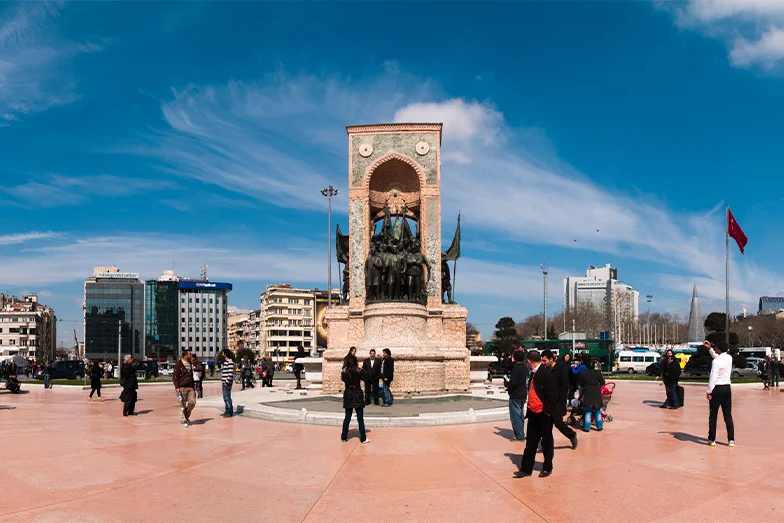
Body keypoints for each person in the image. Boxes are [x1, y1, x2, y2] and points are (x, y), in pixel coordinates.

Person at [515, 351, 557, 478]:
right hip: (533, 413)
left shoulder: (545, 374)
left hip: (543, 414)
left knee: (546, 442)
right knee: (531, 443)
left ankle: (547, 467)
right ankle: (526, 469)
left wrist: (547, 411)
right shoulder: (533, 373)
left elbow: (553, 394)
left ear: (529, 361)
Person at [541, 350, 578, 449]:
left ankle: (572, 435)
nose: (543, 363)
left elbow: (564, 387)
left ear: (551, 359)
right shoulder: (545, 370)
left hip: (557, 402)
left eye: (544, 361)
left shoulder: (560, 369)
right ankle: (547, 445)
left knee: (558, 423)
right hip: (547, 402)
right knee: (546, 424)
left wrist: (561, 402)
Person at [707, 342, 735, 447]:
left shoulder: (716, 361)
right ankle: (731, 439)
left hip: (717, 388)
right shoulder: (729, 358)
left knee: (713, 415)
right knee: (727, 415)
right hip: (727, 388)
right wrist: (710, 349)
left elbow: (713, 376)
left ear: (718, 348)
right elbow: (719, 358)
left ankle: (712, 439)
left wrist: (709, 391)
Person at [341, 354, 370, 444]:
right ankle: (363, 438)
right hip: (357, 393)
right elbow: (366, 378)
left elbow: (343, 379)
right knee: (360, 419)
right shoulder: (358, 370)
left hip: (348, 393)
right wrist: (361, 369)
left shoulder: (344, 371)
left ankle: (344, 437)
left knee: (347, 417)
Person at [504, 349, 527, 442]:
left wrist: (506, 383)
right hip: (523, 394)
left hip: (515, 394)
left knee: (515, 416)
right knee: (520, 415)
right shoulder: (525, 368)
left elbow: (512, 383)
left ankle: (520, 436)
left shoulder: (516, 369)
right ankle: (521, 433)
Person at [578, 361, 606, 432]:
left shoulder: (583, 373)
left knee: (588, 411)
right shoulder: (598, 372)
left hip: (587, 393)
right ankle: (599, 427)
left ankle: (587, 428)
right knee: (597, 411)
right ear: (594, 366)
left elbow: (581, 383)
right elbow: (603, 382)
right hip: (596, 393)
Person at [173, 349, 198, 427]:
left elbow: (191, 375)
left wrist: (193, 385)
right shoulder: (179, 364)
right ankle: (183, 420)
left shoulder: (190, 363)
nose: (191, 356)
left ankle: (186, 416)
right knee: (182, 404)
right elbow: (174, 377)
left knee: (192, 402)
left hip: (190, 387)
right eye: (190, 354)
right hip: (181, 387)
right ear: (186, 355)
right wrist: (177, 387)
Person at [221, 349, 236, 417]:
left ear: (225, 354)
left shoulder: (230, 362)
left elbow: (230, 373)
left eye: (223, 353)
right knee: (225, 397)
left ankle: (230, 412)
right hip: (224, 382)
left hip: (227, 383)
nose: (222, 354)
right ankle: (227, 410)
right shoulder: (225, 362)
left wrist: (227, 382)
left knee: (227, 397)